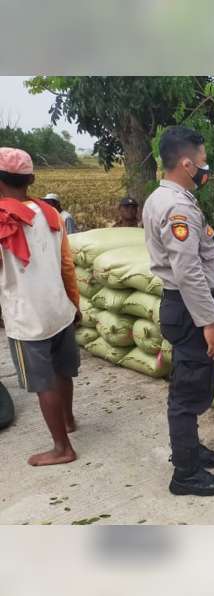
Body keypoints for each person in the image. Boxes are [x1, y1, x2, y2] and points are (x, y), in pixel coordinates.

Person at [142, 126, 214, 497]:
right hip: (189, 307)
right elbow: (187, 270)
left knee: (189, 381)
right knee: (187, 392)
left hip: (182, 306)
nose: (206, 167)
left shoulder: (162, 197)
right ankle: (186, 473)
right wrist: (209, 322)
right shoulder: (178, 207)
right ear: (187, 163)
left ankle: (191, 450)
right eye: (203, 160)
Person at [0, 148, 82, 465]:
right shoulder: (51, 214)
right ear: (31, 179)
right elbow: (66, 265)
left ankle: (62, 448)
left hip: (27, 318)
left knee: (43, 384)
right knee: (62, 372)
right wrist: (74, 304)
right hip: (58, 309)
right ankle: (69, 421)